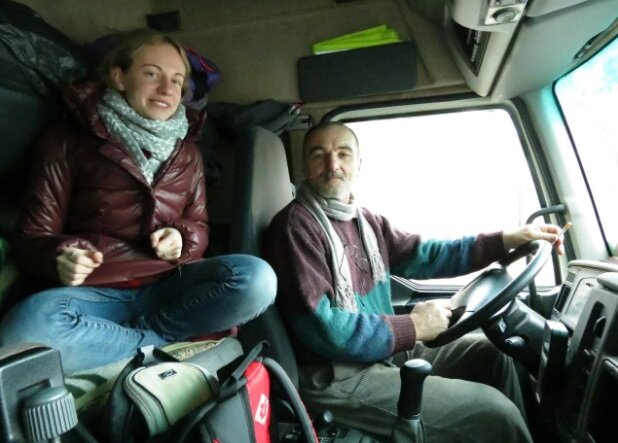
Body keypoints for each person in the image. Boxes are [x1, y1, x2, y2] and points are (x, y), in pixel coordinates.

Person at [263, 121, 566, 442]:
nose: (332, 164)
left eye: (343, 153)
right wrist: (414, 326)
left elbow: (431, 255)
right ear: (304, 167)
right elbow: (327, 330)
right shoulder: (294, 227)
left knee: (495, 357)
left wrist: (505, 240)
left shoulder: (366, 222)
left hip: (379, 354)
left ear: (358, 164)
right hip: (335, 375)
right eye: (318, 154)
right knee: (497, 414)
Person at [0, 30, 276, 374]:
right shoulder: (65, 141)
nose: (166, 89)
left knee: (257, 279)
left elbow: (199, 226)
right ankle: (161, 343)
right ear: (119, 77)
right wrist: (63, 255)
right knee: (25, 330)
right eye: (151, 74)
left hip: (168, 287)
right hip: (93, 294)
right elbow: (32, 237)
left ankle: (131, 341)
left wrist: (182, 237)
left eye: (177, 81)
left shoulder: (188, 152)